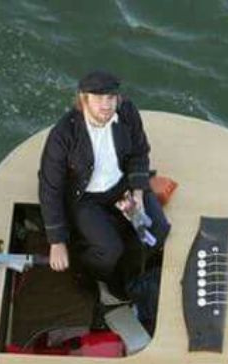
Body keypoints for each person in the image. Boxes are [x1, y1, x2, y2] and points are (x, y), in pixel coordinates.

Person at [37, 70, 170, 301]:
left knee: (158, 230)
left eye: (110, 98)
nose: (106, 105)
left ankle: (126, 274)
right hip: (85, 198)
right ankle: (91, 275)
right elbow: (50, 187)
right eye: (98, 98)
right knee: (109, 250)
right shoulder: (63, 134)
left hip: (122, 187)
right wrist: (57, 241)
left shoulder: (127, 112)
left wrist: (138, 193)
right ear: (83, 99)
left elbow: (139, 153)